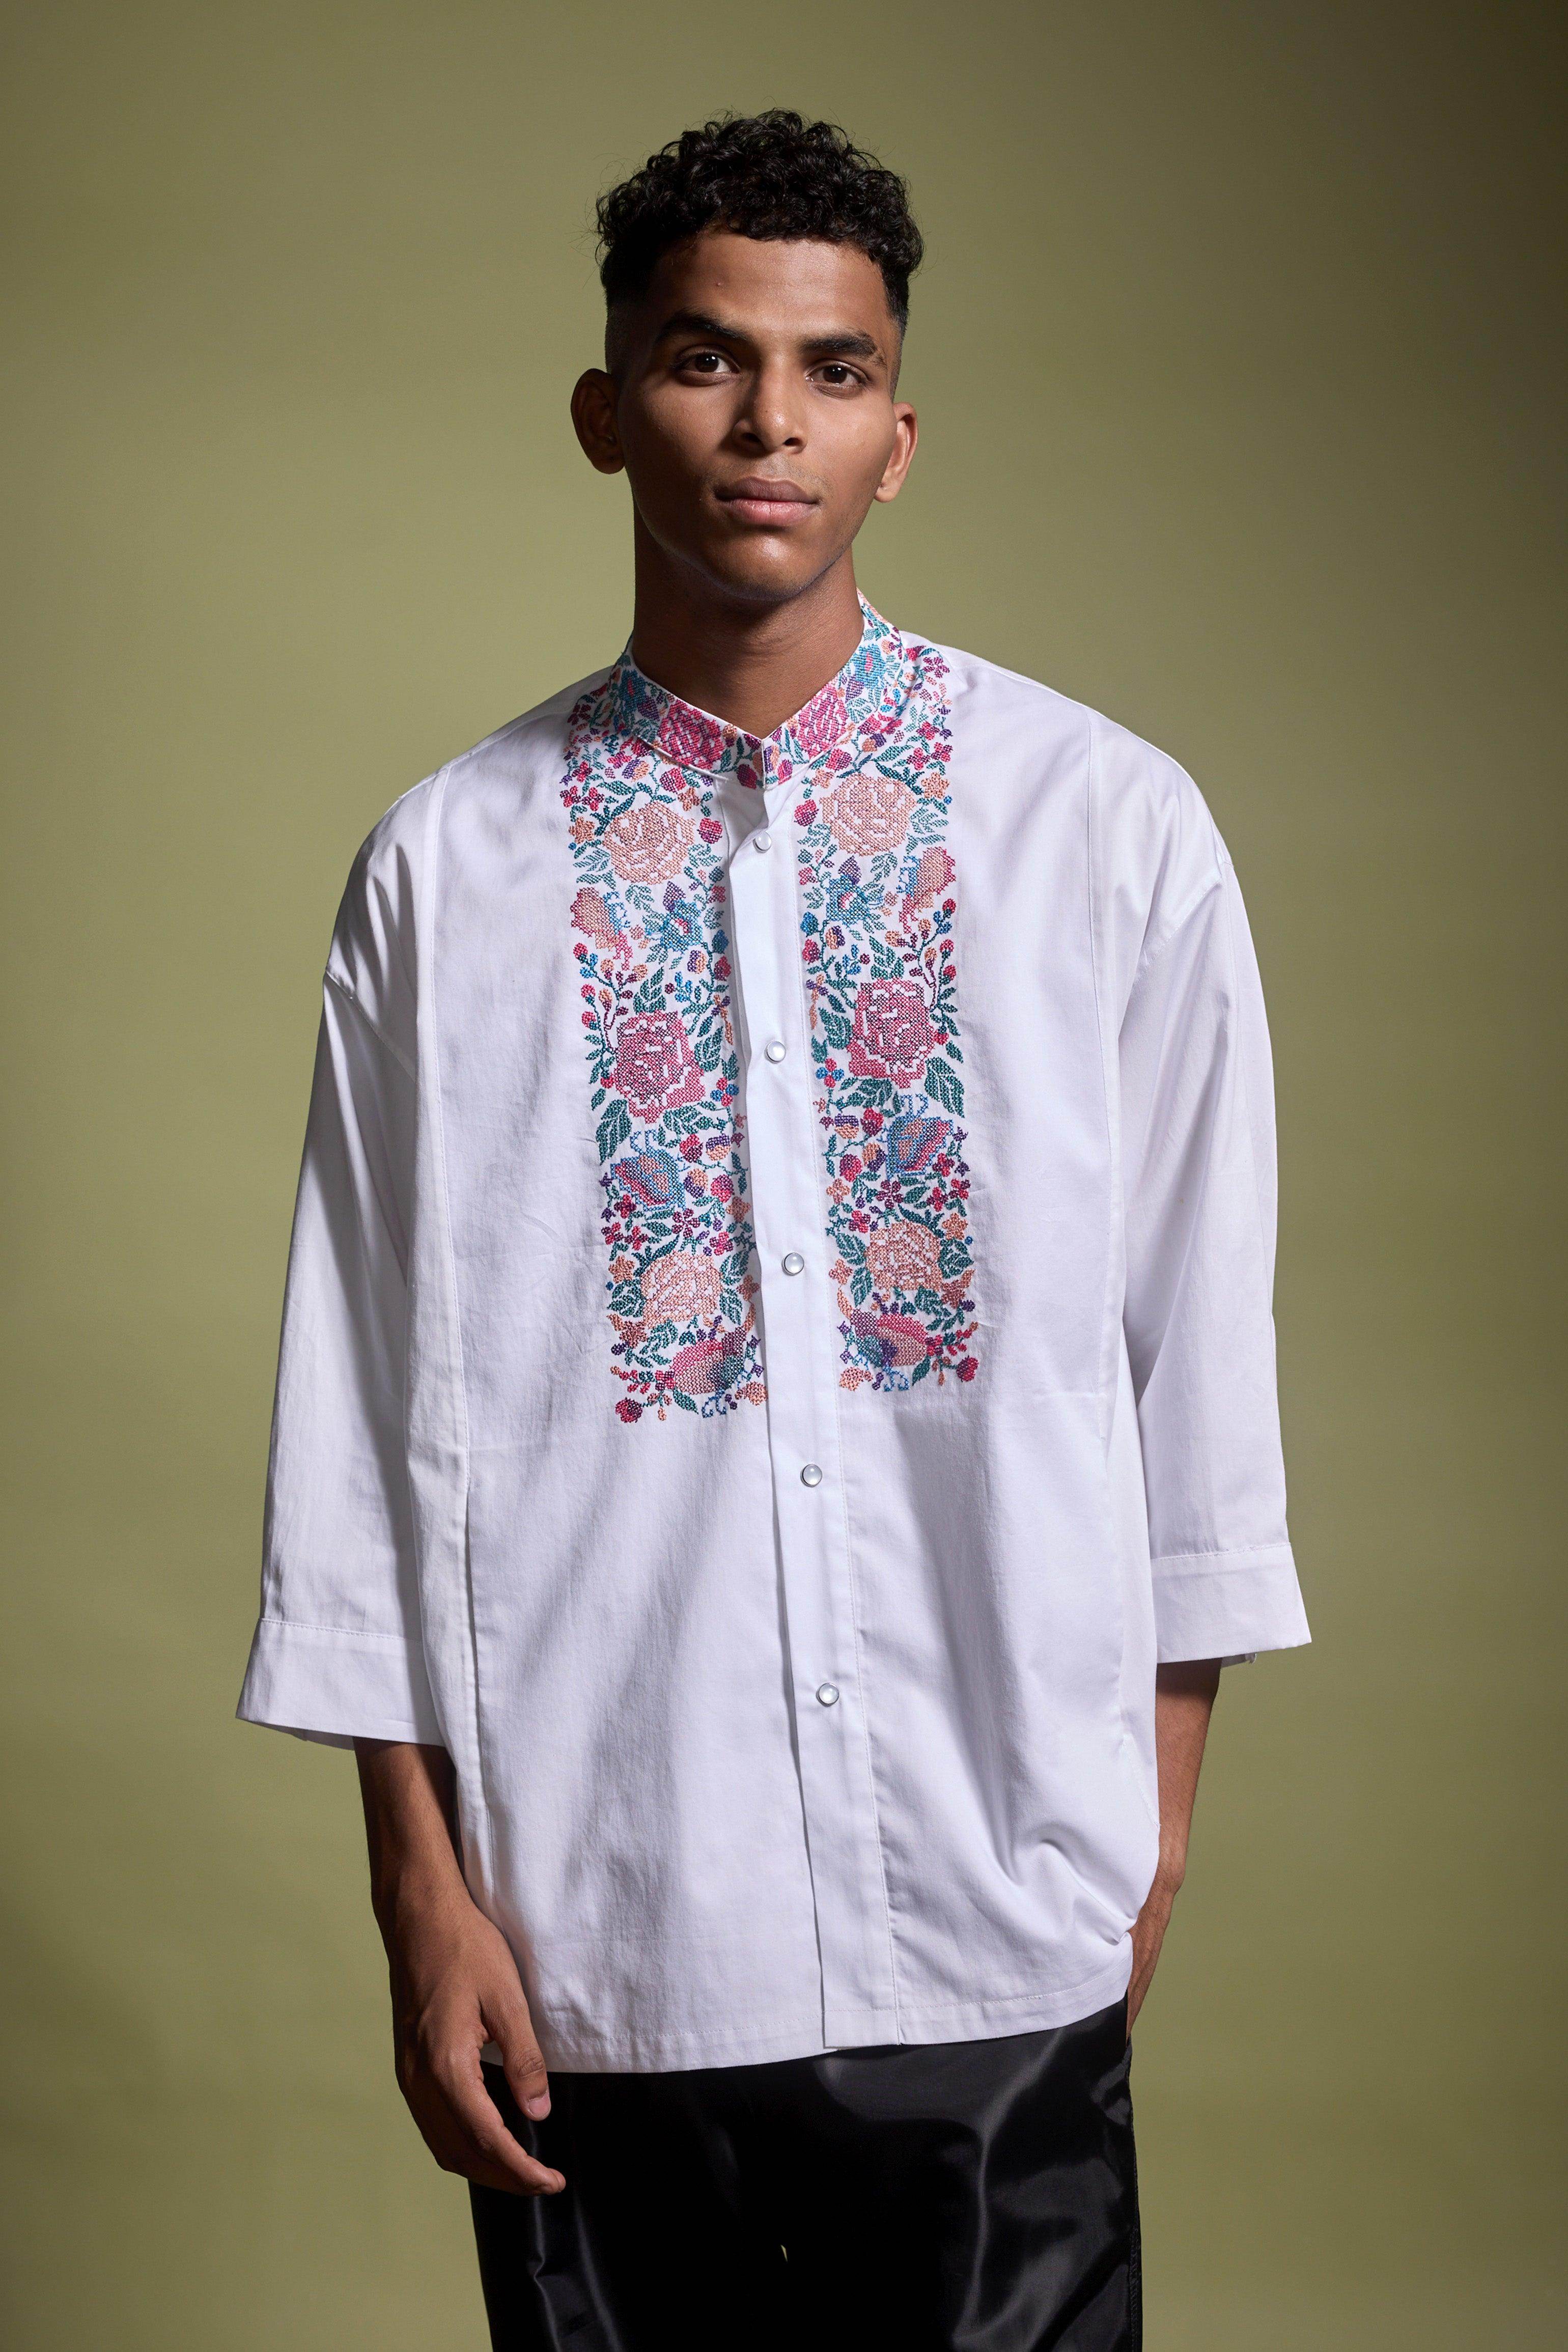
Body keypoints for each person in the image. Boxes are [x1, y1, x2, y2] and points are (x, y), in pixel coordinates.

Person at [238, 109, 1308, 2351]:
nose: (768, 424)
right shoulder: (445, 874)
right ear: (603, 405)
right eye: (707, 357)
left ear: (898, 437)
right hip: (603, 1937)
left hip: (1000, 1908)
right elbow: (358, 1422)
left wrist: (1143, 1831)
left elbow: (1194, 1371)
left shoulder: (1101, 833)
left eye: (833, 370)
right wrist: (421, 1898)